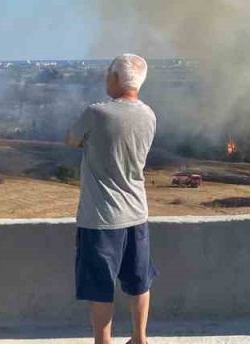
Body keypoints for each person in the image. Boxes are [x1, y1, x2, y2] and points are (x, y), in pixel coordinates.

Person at [65, 54, 158, 344]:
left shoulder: (97, 113)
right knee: (139, 279)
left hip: (101, 217)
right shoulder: (149, 114)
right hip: (137, 212)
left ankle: (103, 341)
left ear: (116, 79)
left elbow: (71, 139)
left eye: (108, 73)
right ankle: (139, 337)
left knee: (99, 286)